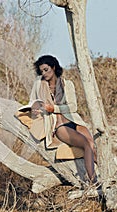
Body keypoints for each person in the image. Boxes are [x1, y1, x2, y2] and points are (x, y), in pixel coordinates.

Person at [29, 55, 97, 184]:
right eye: (41, 71)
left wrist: (53, 108)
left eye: (46, 70)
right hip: (59, 126)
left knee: (93, 145)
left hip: (74, 121)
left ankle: (103, 176)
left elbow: (73, 106)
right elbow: (33, 102)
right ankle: (94, 182)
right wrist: (36, 109)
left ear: (54, 67)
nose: (44, 73)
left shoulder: (67, 84)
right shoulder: (38, 84)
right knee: (86, 145)